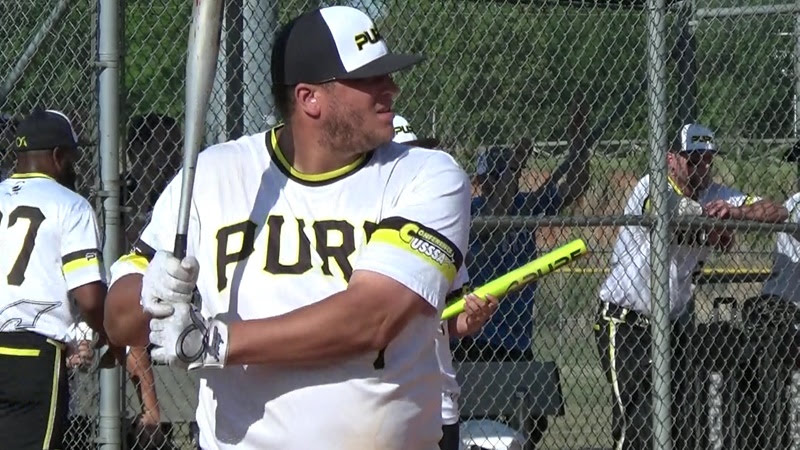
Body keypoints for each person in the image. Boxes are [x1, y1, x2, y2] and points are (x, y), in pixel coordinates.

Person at [103, 6, 488, 449]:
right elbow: (117, 321)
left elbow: (373, 318)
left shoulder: (427, 175)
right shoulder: (214, 175)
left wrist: (216, 344)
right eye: (370, 79)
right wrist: (150, 294)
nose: (391, 88)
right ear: (309, 99)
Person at [596, 123, 788, 450]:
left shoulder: (716, 194)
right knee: (640, 427)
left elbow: (778, 211)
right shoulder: (652, 186)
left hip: (671, 327)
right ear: (671, 158)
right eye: (694, 159)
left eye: (709, 159)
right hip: (625, 322)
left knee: (680, 427)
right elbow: (678, 217)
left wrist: (736, 212)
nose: (703, 167)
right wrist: (717, 227)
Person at [0, 108, 122, 450]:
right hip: (30, 355)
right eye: (71, 158)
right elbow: (90, 298)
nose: (74, 167)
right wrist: (109, 335)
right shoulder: (71, 205)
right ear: (57, 156)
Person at [392, 114, 499, 450]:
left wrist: (470, 319)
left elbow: (449, 321)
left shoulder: (438, 231)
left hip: (439, 402)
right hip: (387, 403)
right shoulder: (357, 228)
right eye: (399, 158)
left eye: (415, 156)